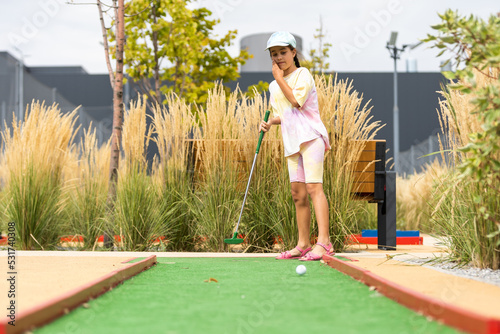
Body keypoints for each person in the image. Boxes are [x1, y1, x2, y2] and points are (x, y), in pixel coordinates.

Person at [259, 31, 333, 261]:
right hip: (292, 141)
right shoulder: (273, 86)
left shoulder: (303, 74)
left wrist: (279, 78)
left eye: (283, 52)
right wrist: (271, 121)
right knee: (298, 194)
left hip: (311, 137)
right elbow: (287, 114)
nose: (279, 57)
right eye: (274, 54)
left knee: (313, 188)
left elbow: (296, 101)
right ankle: (303, 244)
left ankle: (324, 243)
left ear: (293, 52)